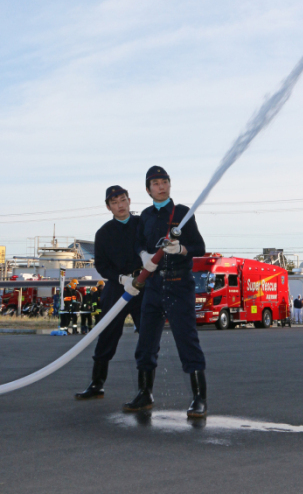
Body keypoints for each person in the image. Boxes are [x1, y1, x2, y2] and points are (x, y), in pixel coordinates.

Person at [123, 166, 207, 418]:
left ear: (170, 184)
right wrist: (143, 254)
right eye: (155, 183)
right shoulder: (146, 216)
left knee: (186, 339)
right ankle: (145, 393)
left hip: (179, 283)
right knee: (146, 340)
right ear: (148, 189)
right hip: (153, 286)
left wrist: (181, 249)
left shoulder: (183, 213)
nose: (161, 186)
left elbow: (199, 246)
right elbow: (138, 241)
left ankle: (199, 398)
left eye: (164, 182)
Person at [75, 185, 143, 400]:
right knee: (106, 333)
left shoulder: (143, 225)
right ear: (108, 207)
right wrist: (121, 279)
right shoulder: (104, 233)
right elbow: (102, 265)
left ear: (129, 201)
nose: (120, 205)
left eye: (122, 200)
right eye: (114, 202)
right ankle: (97, 384)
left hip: (144, 285)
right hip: (117, 287)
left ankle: (145, 390)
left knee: (148, 337)